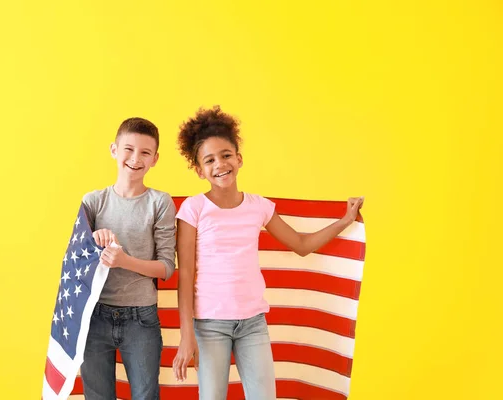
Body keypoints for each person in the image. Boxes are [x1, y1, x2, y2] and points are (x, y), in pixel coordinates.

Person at [171, 106, 364, 400]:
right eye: (209, 160)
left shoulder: (259, 207)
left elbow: (300, 244)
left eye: (226, 155)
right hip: (210, 324)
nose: (220, 164)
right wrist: (186, 336)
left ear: (239, 158)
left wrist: (345, 221)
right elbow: (185, 273)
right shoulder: (194, 209)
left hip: (252, 323)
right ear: (199, 170)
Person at [81, 117, 176, 400]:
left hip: (141, 318)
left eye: (145, 152)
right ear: (114, 150)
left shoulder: (160, 202)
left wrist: (124, 260)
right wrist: (95, 242)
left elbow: (167, 268)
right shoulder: (93, 202)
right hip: (95, 315)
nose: (136, 159)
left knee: (146, 395)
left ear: (155, 159)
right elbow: (77, 262)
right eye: (128, 149)